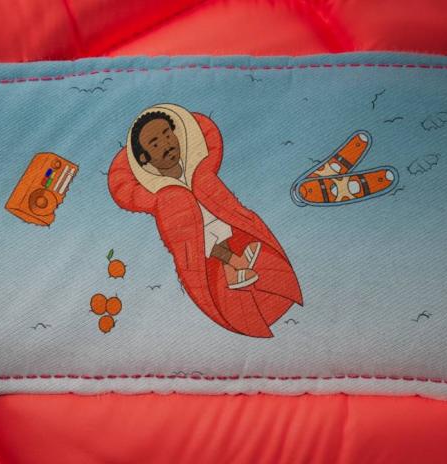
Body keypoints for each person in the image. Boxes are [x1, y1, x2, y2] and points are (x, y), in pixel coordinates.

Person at [108, 103, 302, 337]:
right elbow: (182, 239)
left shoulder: (199, 171)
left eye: (168, 135)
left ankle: (235, 265)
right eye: (155, 144)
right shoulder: (161, 196)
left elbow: (228, 205)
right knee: (208, 244)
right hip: (201, 247)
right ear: (143, 158)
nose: (167, 145)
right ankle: (234, 262)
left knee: (236, 238)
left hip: (226, 229)